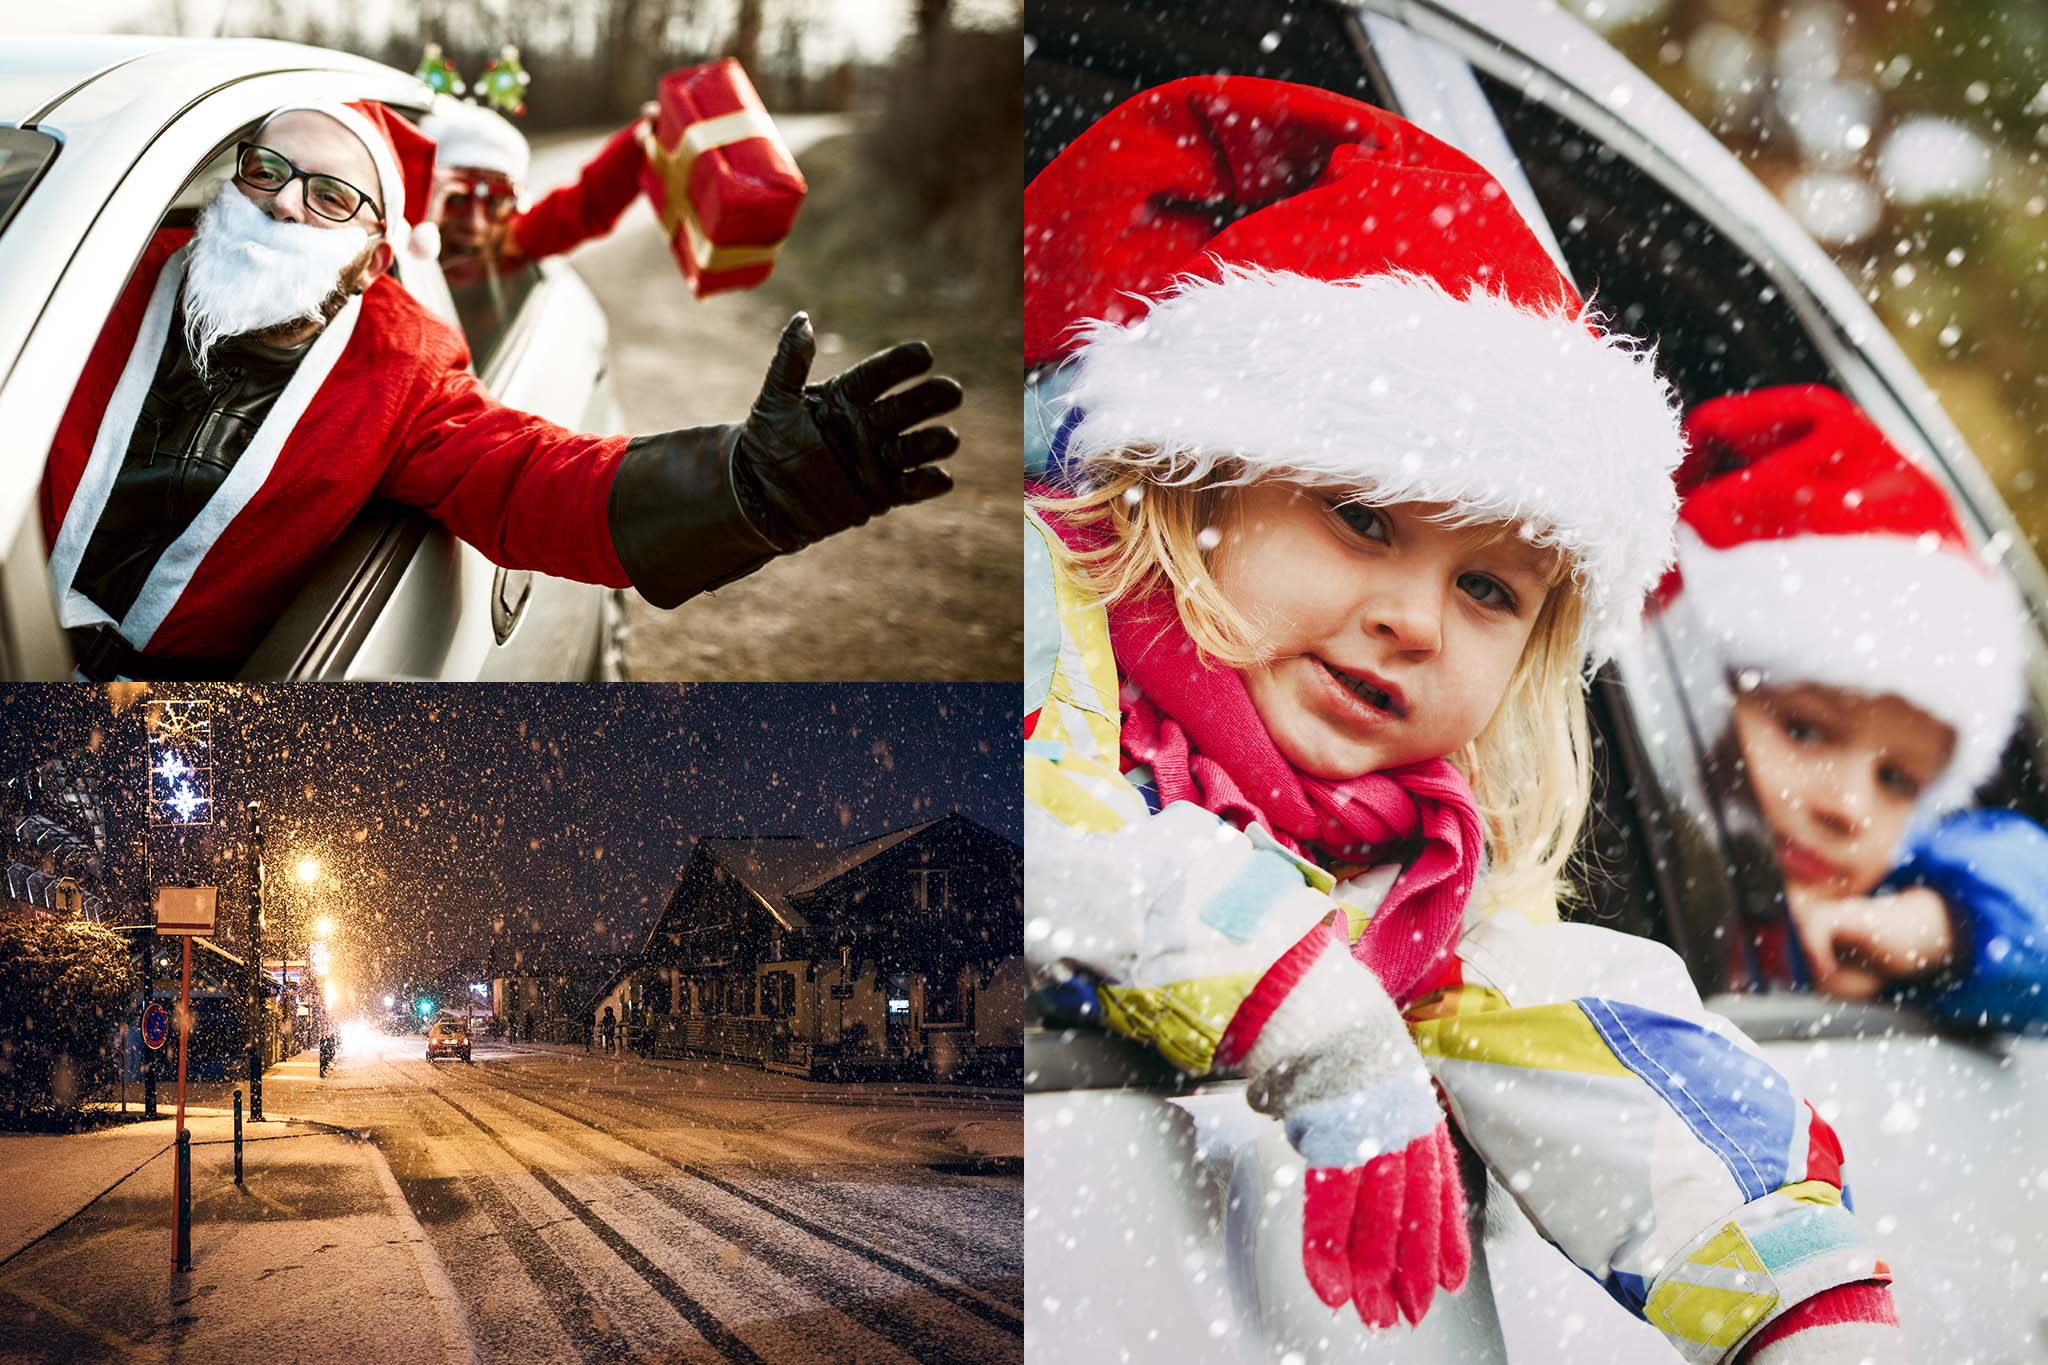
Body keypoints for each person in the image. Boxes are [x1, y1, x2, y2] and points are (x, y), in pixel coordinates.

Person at [1023, 78, 1900, 1362]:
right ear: (1189, 479)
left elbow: (1572, 1024)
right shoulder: (1049, 602)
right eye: (1362, 516)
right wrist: (1308, 1012)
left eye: (1487, 589)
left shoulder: (1411, 870)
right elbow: (1047, 828)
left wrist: (1804, 1298)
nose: (1413, 620)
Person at [42, 101, 959, 680]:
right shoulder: (101, 268)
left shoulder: (401, 368)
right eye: (267, 171)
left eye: (330, 196)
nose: (284, 202)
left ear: (372, 259)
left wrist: (749, 486)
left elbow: (532, 478)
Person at [1656, 384, 2048, 1029]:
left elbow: (2030, 885)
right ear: (1691, 694)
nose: (1847, 807)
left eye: (1897, 780)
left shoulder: (1884, 903)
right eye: (1805, 730)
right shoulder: (1616, 866)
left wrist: (1938, 927)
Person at [419, 95, 651, 291]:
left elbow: (587, 205)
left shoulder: (511, 242)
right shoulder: (395, 237)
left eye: (495, 203)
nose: (475, 225)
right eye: (456, 199)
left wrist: (645, 139)